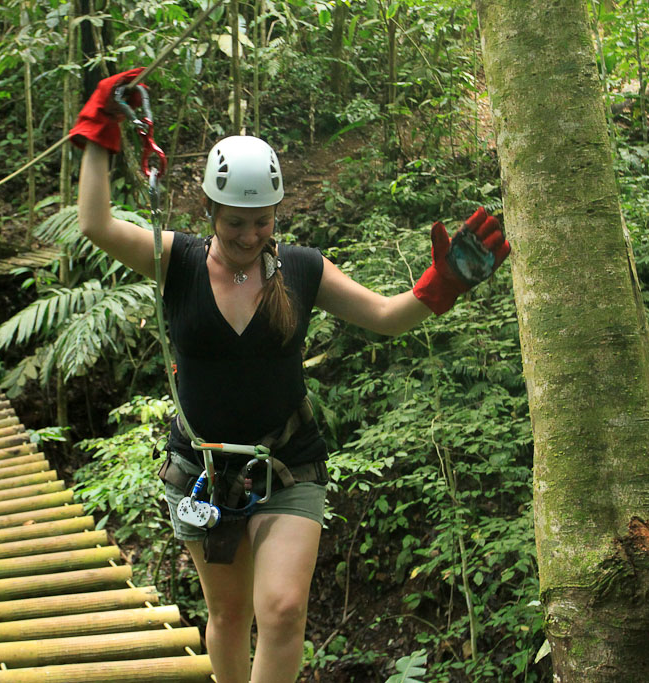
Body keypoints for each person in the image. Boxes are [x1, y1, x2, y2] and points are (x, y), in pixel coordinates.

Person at [71, 69, 510, 683]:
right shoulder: (176, 260)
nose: (251, 236)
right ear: (210, 211)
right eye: (235, 222)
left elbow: (386, 317)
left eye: (263, 221)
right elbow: (95, 223)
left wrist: (442, 286)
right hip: (204, 475)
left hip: (288, 466)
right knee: (227, 615)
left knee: (280, 611)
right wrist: (99, 131)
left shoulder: (302, 270)